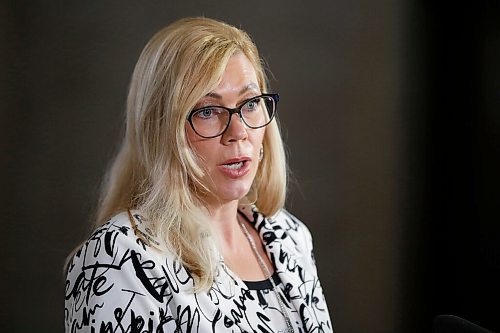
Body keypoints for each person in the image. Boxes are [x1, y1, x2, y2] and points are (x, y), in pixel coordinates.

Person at [64, 17, 332, 333]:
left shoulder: (289, 236)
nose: (239, 132)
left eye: (249, 104)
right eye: (207, 111)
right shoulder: (119, 258)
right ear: (161, 129)